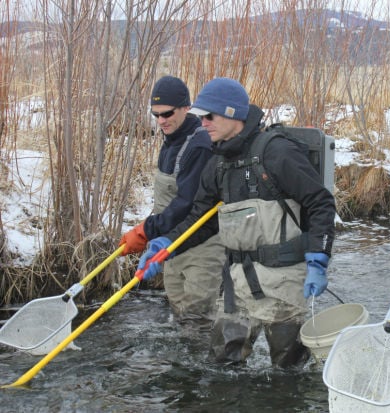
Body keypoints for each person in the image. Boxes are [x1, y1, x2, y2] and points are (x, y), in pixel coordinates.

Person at [138, 77, 336, 368]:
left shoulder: (277, 152)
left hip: (283, 283)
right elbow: (201, 219)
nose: (203, 123)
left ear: (232, 113)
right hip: (237, 285)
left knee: (287, 372)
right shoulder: (217, 162)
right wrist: (167, 244)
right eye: (200, 117)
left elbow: (320, 202)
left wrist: (318, 259)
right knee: (221, 366)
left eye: (209, 116)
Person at [119, 75, 225, 324]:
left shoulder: (199, 145)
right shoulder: (170, 142)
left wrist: (146, 230)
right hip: (172, 245)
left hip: (202, 246)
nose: (161, 121)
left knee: (197, 319)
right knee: (180, 316)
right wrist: (157, 240)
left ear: (186, 107)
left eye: (167, 113)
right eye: (155, 115)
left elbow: (187, 204)